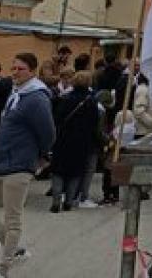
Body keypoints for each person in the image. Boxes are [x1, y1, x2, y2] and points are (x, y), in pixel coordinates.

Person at [0, 53, 55, 278]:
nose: (14, 73)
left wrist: (42, 156)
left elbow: (48, 132)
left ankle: (3, 269)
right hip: (1, 162)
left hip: (19, 164)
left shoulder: (36, 98)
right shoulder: (17, 93)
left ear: (31, 71)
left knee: (13, 219)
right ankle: (15, 248)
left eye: (19, 69)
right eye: (13, 68)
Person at [50, 71, 98, 213]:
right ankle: (69, 201)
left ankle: (56, 200)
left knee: (58, 171)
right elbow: (94, 123)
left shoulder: (64, 99)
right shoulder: (91, 102)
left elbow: (56, 119)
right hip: (82, 141)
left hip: (63, 139)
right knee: (75, 172)